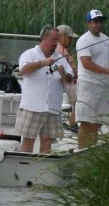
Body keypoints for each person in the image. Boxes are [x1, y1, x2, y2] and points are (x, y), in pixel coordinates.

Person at [15, 24, 74, 154]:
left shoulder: (60, 58)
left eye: (58, 39)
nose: (56, 43)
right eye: (54, 39)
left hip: (52, 107)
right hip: (33, 106)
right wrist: (43, 63)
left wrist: (64, 74)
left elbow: (70, 80)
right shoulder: (29, 54)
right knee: (28, 139)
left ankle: (43, 168)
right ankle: (25, 167)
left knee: (47, 141)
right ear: (44, 38)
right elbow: (23, 70)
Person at [75, 9, 109, 148]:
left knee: (98, 122)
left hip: (103, 86)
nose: (99, 24)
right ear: (89, 23)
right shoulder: (83, 40)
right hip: (88, 85)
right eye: (95, 22)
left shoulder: (106, 40)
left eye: (100, 21)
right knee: (87, 122)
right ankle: (82, 150)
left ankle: (91, 149)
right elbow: (86, 63)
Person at [55, 24, 79, 128]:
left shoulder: (61, 49)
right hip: (67, 82)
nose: (71, 40)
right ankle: (72, 124)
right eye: (69, 37)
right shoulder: (60, 50)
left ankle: (72, 122)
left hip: (71, 79)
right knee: (80, 101)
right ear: (61, 36)